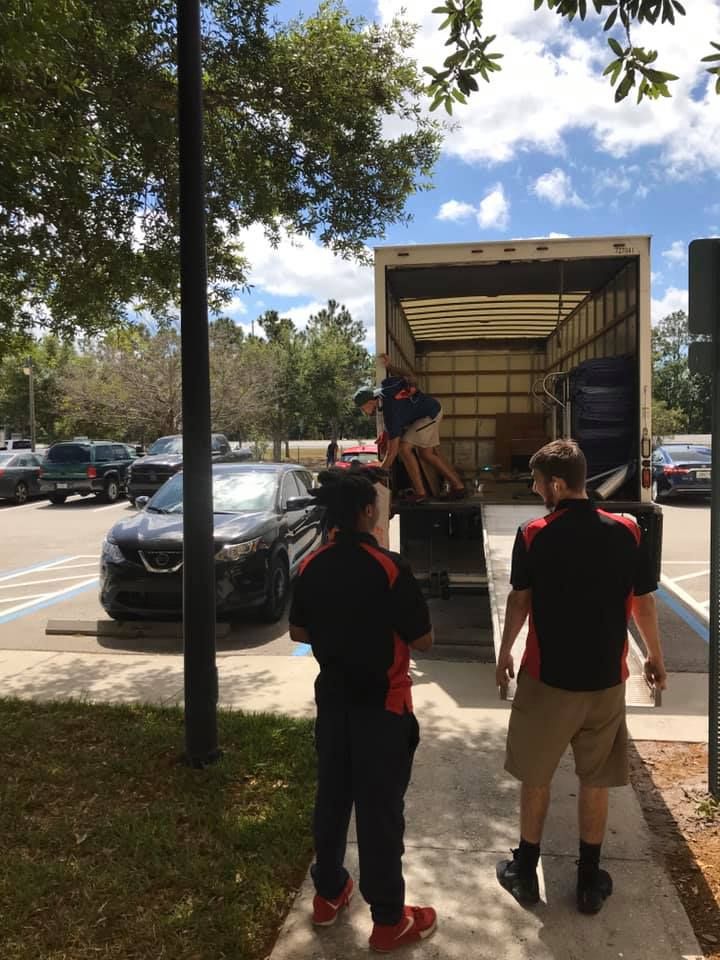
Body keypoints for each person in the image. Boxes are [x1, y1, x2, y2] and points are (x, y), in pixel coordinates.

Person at [494, 438, 667, 915]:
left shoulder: (534, 533)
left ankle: (526, 872)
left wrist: (505, 651)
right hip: (605, 685)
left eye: (535, 482)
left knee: (536, 775)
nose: (534, 491)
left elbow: (520, 601)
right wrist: (655, 657)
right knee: (595, 780)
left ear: (555, 484)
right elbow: (645, 603)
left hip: (547, 682)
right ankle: (589, 881)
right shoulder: (628, 530)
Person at [288, 469, 437, 952]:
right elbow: (424, 640)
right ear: (368, 512)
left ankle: (328, 893)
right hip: (383, 708)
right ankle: (390, 919)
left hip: (333, 704)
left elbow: (299, 632)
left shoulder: (312, 565)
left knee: (332, 799)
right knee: (380, 813)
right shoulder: (390, 568)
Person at [353, 354, 464, 503]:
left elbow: (392, 453)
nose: (364, 412)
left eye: (362, 408)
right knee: (426, 454)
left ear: (369, 402)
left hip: (428, 415)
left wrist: (377, 475)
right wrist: (390, 367)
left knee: (404, 449)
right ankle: (458, 486)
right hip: (432, 409)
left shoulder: (390, 410)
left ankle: (420, 493)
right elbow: (409, 376)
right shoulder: (386, 388)